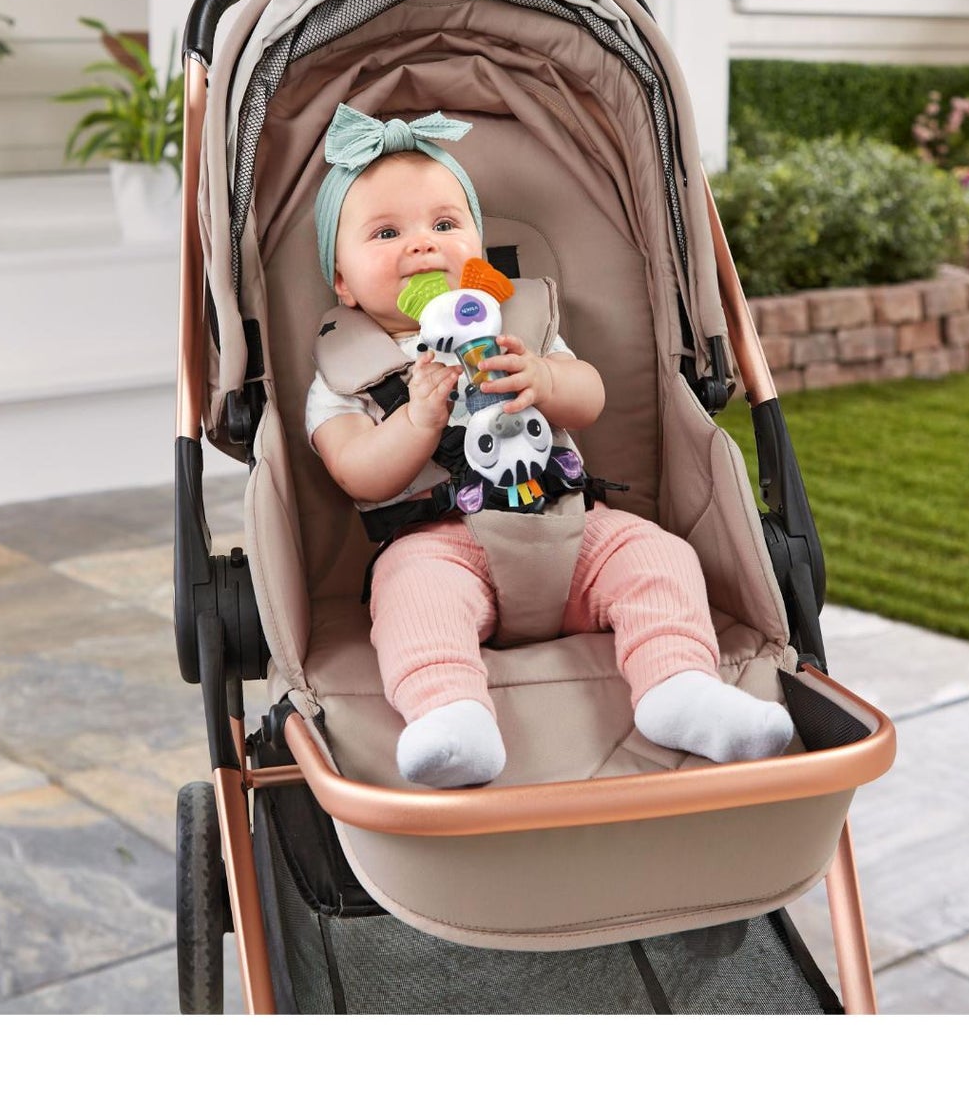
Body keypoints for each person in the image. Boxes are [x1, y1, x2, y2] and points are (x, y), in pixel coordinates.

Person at [306, 103, 795, 788]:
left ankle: (678, 687)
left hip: (569, 527)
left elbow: (589, 397)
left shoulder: (520, 325)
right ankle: (451, 716)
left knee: (657, 557)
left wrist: (544, 377)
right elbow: (355, 471)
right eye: (387, 233)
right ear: (342, 283)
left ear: (479, 250)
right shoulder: (345, 374)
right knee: (409, 594)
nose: (422, 246)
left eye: (445, 225)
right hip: (442, 547)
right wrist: (415, 422)